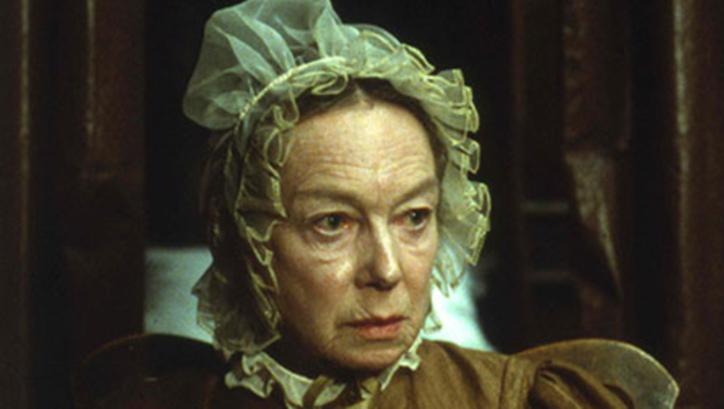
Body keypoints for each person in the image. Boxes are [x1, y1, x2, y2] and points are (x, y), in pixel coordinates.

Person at [74, 0, 678, 408]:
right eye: (333, 223)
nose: (387, 270)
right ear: (246, 241)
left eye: (414, 218)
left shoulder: (524, 400)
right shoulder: (162, 396)